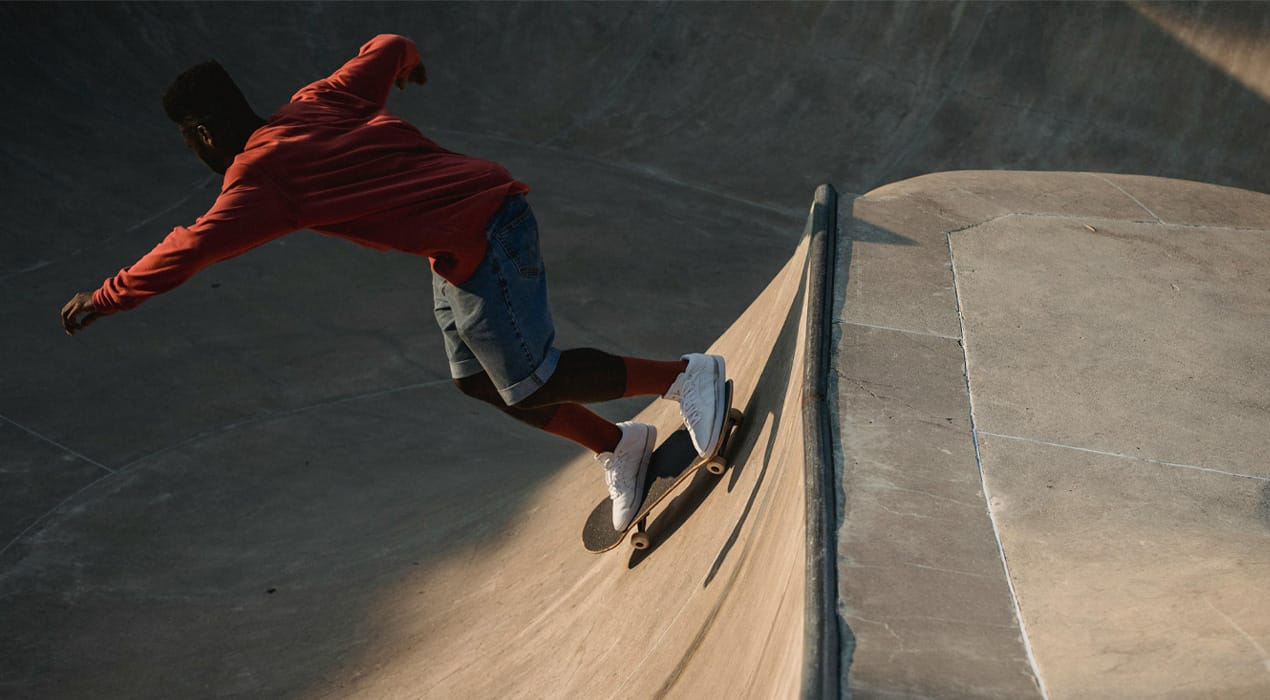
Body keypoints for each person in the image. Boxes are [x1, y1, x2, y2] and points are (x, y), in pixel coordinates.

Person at [59, 34, 727, 531]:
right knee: (477, 380)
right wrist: (407, 60)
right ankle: (621, 444)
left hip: (489, 231)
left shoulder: (260, 180)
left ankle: (684, 376)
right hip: (459, 246)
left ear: (204, 134)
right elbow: (383, 48)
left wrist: (104, 297)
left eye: (190, 142)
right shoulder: (317, 101)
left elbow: (191, 248)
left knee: (532, 379)